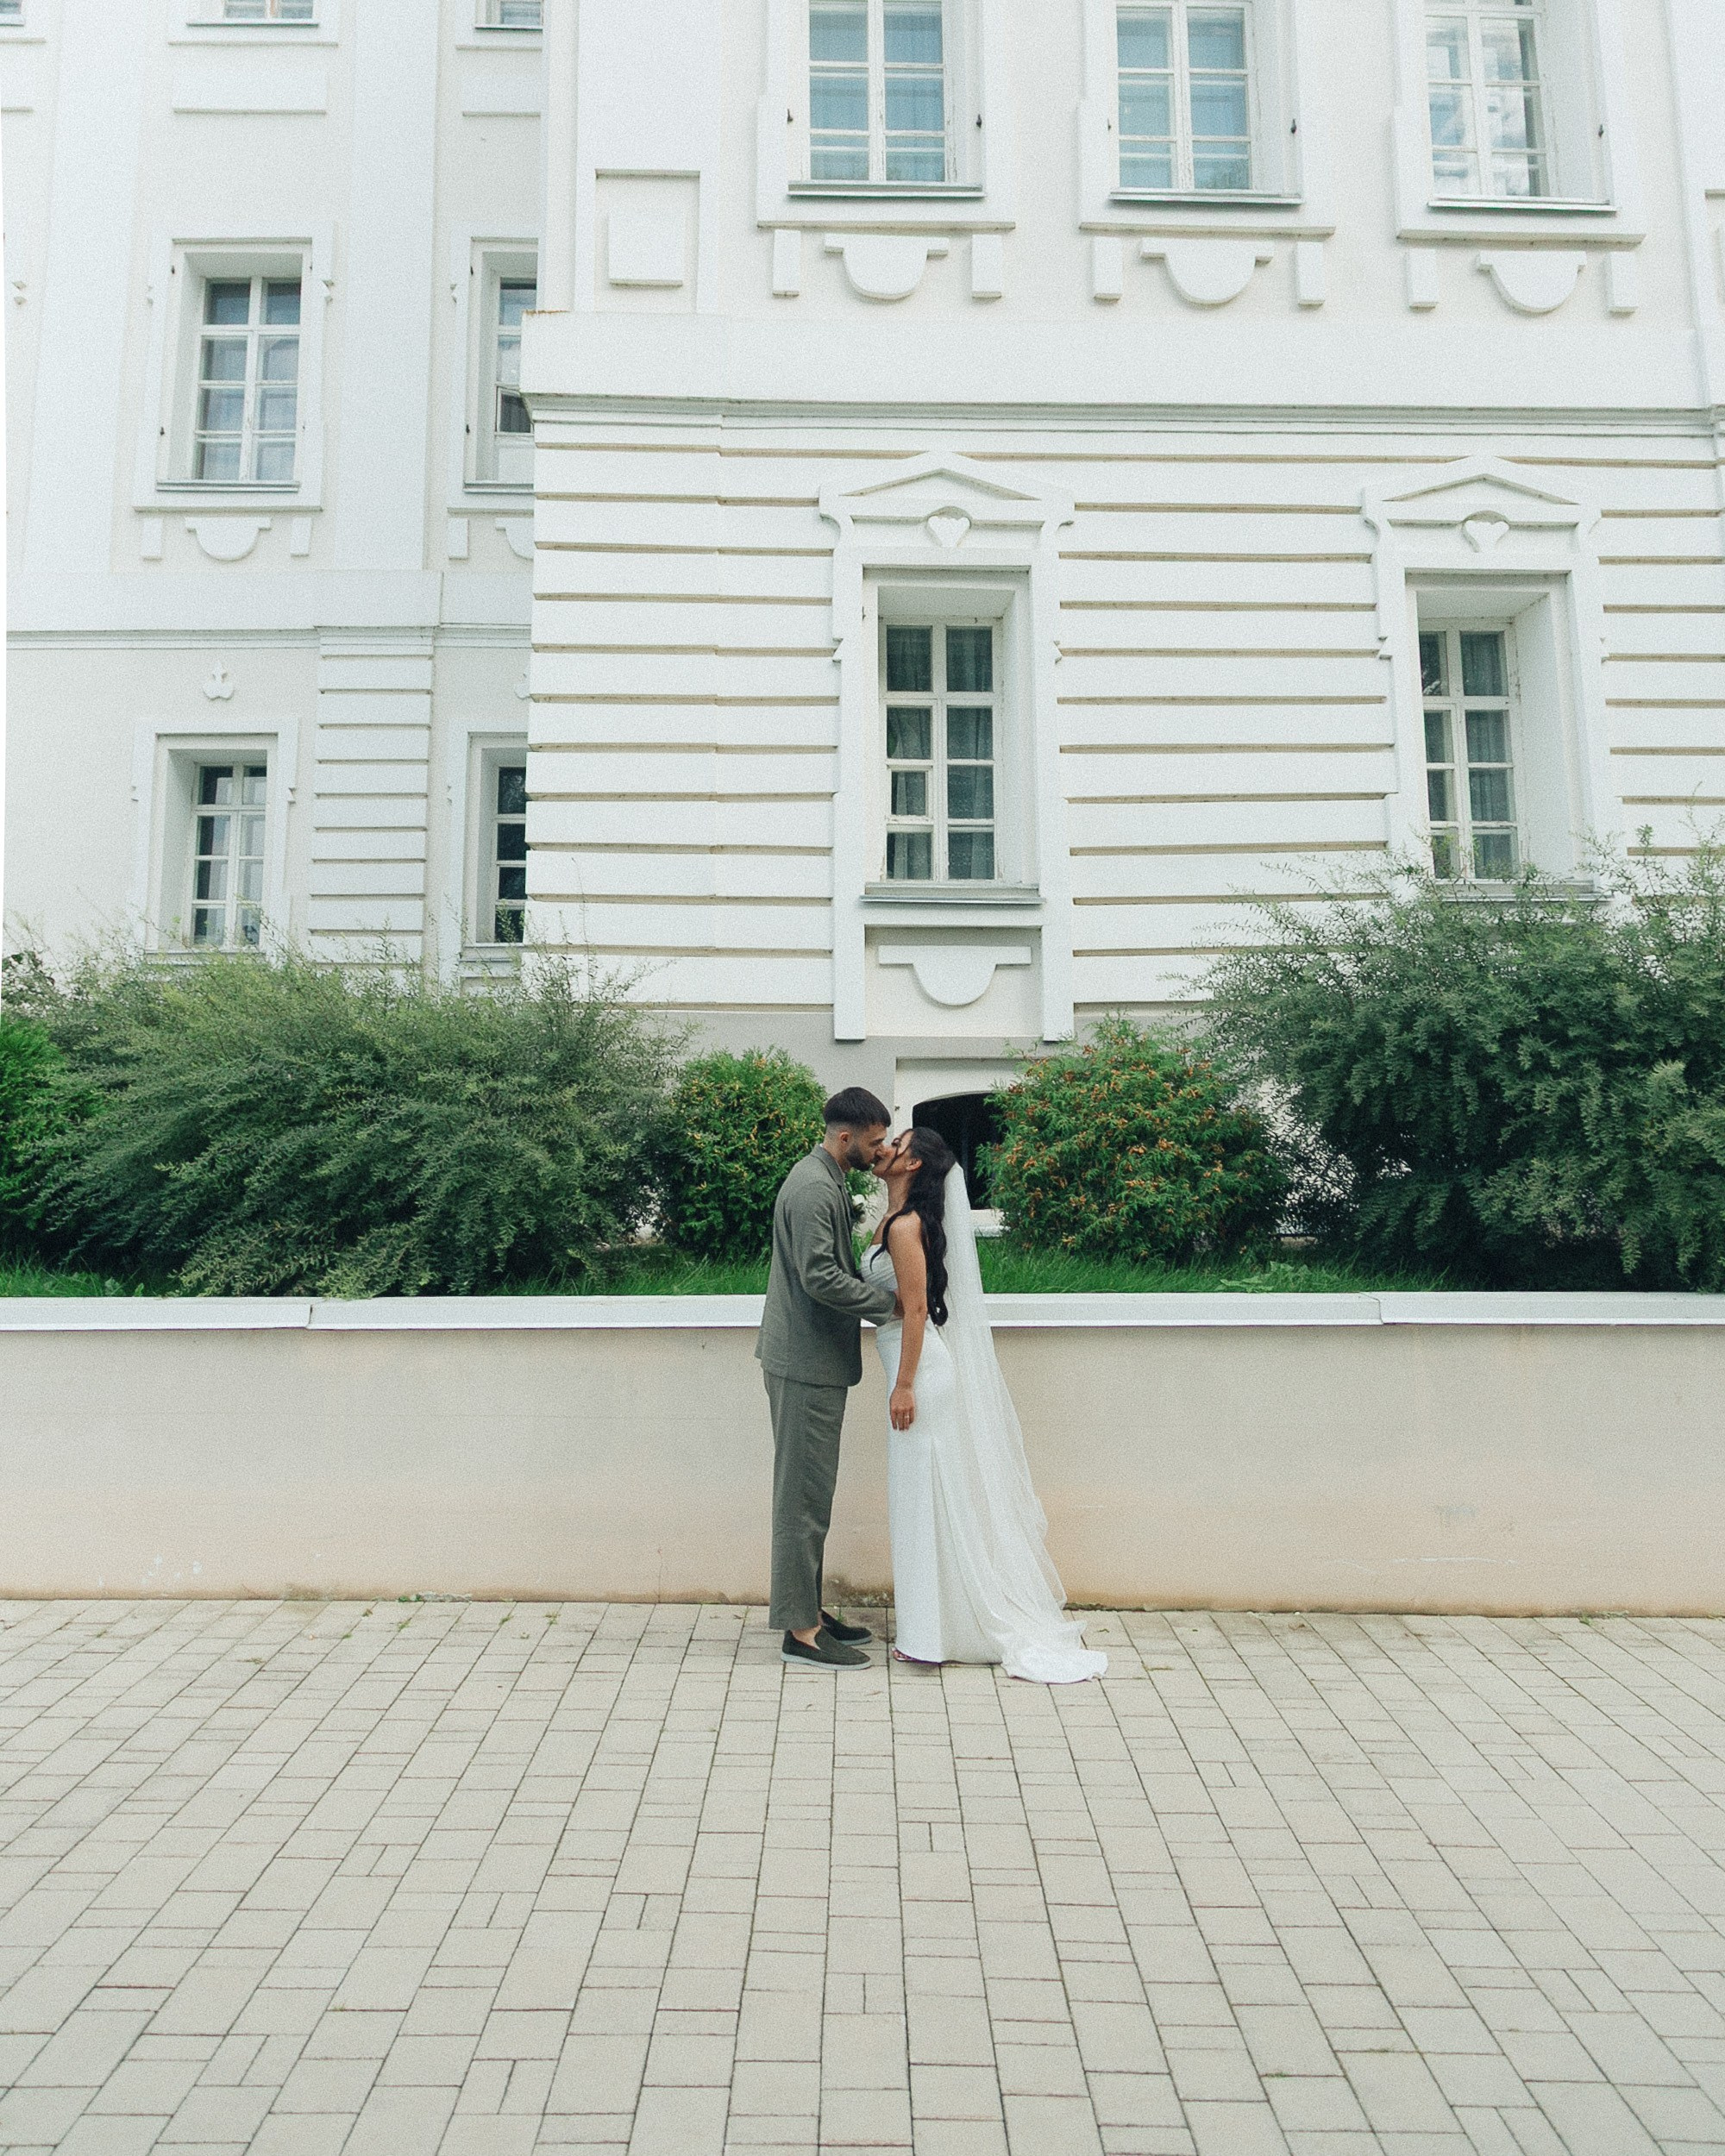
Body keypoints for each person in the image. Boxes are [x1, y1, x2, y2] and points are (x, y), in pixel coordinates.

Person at [864, 1129, 1107, 1683]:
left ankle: (934, 1635)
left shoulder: (905, 1228)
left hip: (920, 1376)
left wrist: (903, 1386)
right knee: (920, 1500)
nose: (884, 1150)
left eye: (895, 1144)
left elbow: (918, 1310)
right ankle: (931, 1627)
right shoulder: (890, 1221)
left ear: (915, 1162)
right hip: (914, 1370)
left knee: (927, 1500)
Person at [757, 1087, 900, 1670]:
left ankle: (808, 1609)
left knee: (811, 1493)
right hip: (805, 1363)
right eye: (874, 1142)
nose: (880, 1149)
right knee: (803, 1499)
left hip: (808, 1360)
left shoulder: (824, 1177)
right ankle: (802, 1632)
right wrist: (887, 1304)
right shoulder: (817, 1188)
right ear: (846, 1138)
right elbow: (819, 1276)